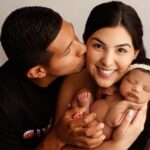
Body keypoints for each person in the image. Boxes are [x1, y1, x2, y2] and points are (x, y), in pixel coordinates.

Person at [0, 6, 106, 150]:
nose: (83, 48)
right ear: (38, 72)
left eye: (74, 35)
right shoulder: (5, 108)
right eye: (68, 50)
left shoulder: (82, 66)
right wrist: (58, 137)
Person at [55, 1, 149, 150]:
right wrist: (117, 145)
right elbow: (58, 145)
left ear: (135, 53)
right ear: (85, 42)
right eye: (98, 46)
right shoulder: (76, 79)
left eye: (121, 50)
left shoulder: (143, 93)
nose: (107, 61)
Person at [72, 58, 150, 140]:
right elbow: (99, 100)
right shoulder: (115, 91)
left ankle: (84, 111)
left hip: (99, 130)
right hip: (92, 111)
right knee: (84, 92)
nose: (136, 89)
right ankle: (77, 111)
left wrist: (125, 104)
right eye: (131, 82)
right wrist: (101, 91)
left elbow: (111, 121)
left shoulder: (134, 109)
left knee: (96, 131)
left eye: (146, 89)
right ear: (122, 79)